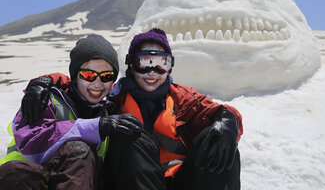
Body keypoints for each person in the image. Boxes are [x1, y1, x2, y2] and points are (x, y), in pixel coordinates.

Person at [18, 28, 243, 190]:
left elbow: (215, 111)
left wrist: (228, 122)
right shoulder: (112, 96)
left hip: (181, 179)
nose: (152, 72)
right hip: (132, 181)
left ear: (170, 66)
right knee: (128, 133)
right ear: (131, 66)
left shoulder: (181, 97)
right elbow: (81, 82)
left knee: (220, 141)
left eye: (161, 63)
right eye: (143, 63)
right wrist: (44, 81)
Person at [0, 34, 143, 190]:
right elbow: (33, 148)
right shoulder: (44, 99)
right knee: (76, 150)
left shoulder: (109, 113)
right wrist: (94, 127)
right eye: (89, 75)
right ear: (75, 76)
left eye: (107, 76)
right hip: (24, 182)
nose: (97, 84)